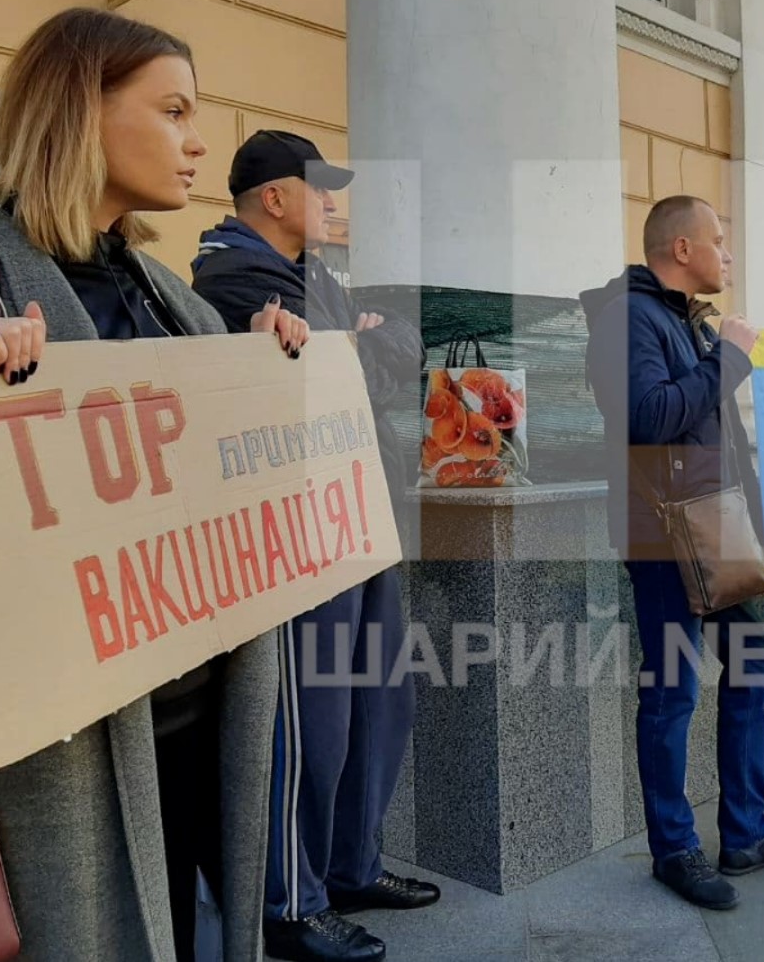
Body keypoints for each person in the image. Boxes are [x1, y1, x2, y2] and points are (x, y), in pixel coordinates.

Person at [0, 7, 308, 961]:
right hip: (60, 761)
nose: (199, 145)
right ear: (80, 111)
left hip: (200, 718)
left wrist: (269, 375)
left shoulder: (170, 295)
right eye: (174, 111)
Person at [192, 131, 433, 962]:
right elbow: (338, 372)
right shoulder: (231, 278)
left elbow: (400, 355)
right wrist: (356, 340)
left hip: (360, 516)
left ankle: (348, 864)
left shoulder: (313, 280)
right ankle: (288, 903)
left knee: (378, 702)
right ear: (273, 198)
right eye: (320, 188)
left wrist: (358, 340)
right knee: (311, 723)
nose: (334, 203)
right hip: (299, 536)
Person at [581, 195, 764, 911]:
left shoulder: (687, 319)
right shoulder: (627, 317)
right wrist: (729, 359)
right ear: (681, 249)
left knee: (752, 674)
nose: (729, 254)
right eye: (720, 239)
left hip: (722, 529)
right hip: (663, 537)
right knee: (673, 694)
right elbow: (648, 418)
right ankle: (674, 848)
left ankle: (744, 832)